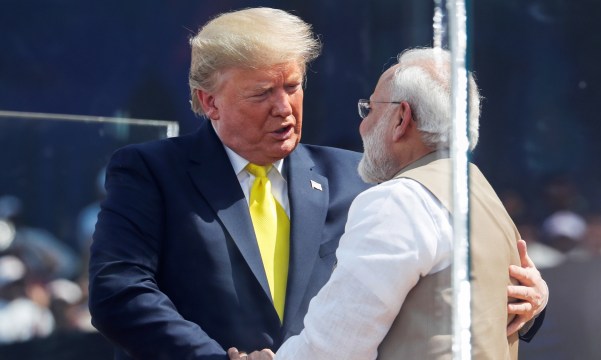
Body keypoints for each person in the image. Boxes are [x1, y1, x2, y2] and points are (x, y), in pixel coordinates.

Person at [89, 9, 545, 359]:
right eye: (262, 93)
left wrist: (532, 304)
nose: (284, 107)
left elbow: (443, 274)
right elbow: (120, 293)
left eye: (293, 86)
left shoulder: (361, 178)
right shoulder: (150, 172)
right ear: (210, 102)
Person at [229, 47, 548, 360]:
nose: (362, 126)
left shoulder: (399, 201)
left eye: (369, 110)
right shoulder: (484, 196)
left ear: (401, 118)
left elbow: (336, 347)